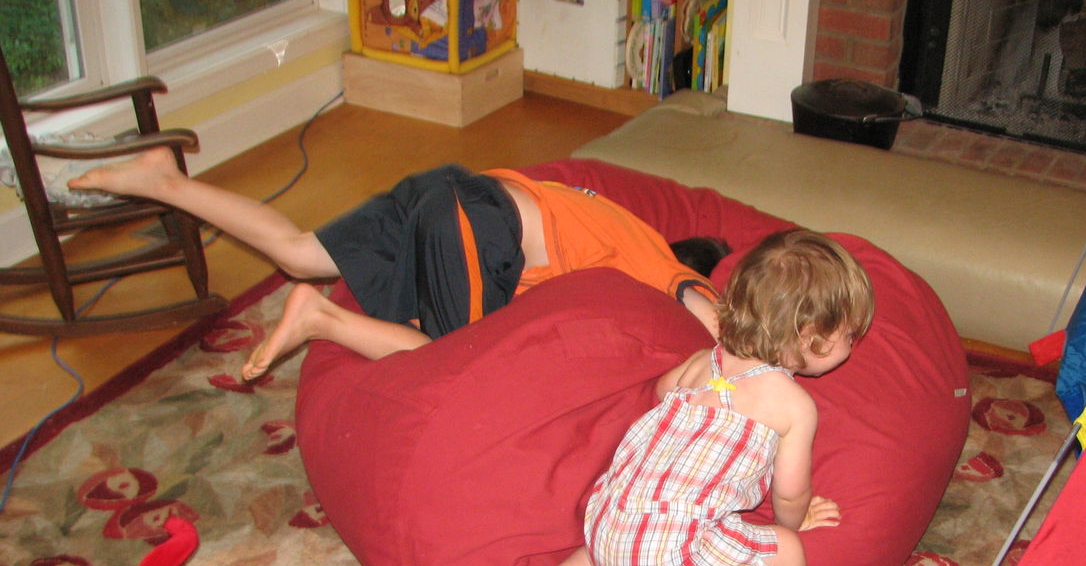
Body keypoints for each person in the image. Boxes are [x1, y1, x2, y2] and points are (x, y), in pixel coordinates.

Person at [489, 229, 875, 566]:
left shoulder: (701, 363)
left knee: (633, 536)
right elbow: (790, 492)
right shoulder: (792, 404)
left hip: (607, 525)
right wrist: (794, 523)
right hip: (668, 558)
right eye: (848, 335)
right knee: (786, 557)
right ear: (811, 338)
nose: (854, 344)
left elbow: (660, 393)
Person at [69, 150, 725, 378]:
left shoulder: (596, 225)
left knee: (301, 252)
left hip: (453, 192)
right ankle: (321, 319)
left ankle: (165, 183)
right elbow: (722, 335)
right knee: (459, 365)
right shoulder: (659, 266)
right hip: (476, 220)